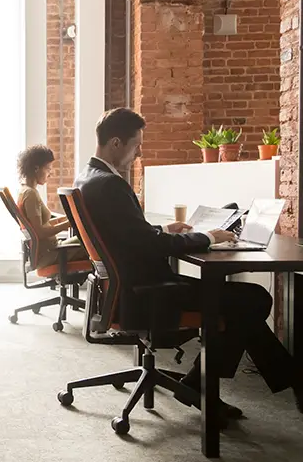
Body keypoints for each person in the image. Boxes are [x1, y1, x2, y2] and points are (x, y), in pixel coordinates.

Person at [74, 107, 303, 420]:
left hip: (131, 286)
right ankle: (211, 384)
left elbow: (129, 235)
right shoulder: (110, 185)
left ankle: (203, 384)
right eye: (136, 145)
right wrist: (207, 238)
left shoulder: (89, 178)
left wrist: (165, 229)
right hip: (147, 292)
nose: (139, 153)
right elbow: (148, 245)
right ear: (116, 143)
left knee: (243, 304)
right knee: (253, 299)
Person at [17, 145, 87, 269]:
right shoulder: (30, 194)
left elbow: (42, 224)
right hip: (51, 253)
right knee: (92, 243)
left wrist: (69, 218)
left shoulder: (25, 191)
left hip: (52, 250)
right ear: (36, 168)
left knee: (87, 240)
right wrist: (68, 223)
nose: (50, 173)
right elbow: (39, 232)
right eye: (48, 168)